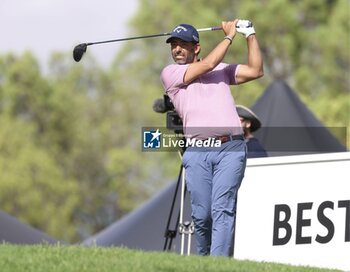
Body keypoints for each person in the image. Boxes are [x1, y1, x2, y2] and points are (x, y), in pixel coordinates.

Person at [160, 19, 263, 256]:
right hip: (197, 152)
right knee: (202, 215)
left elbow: (256, 70)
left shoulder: (221, 70)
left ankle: (217, 266)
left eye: (182, 44)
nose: (176, 49)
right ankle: (204, 263)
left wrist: (249, 34)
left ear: (196, 47)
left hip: (231, 149)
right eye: (173, 45)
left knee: (222, 210)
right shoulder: (171, 74)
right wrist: (229, 36)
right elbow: (208, 64)